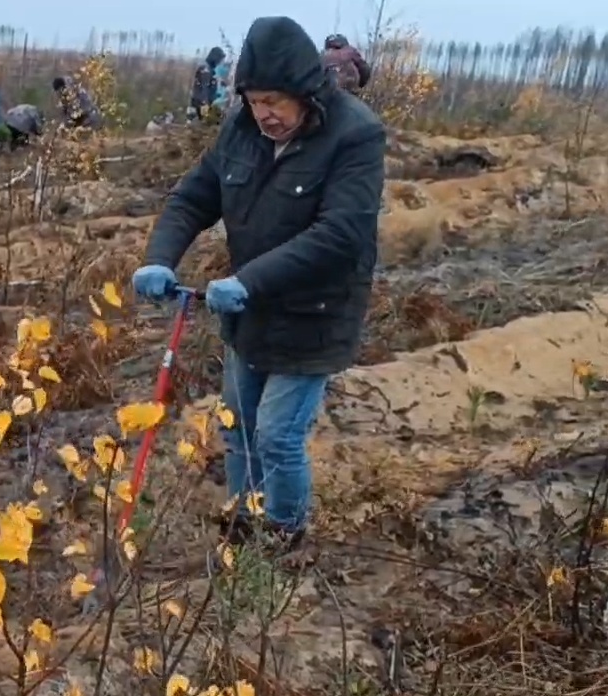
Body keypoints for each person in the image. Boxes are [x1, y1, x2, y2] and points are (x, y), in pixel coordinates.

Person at [131, 16, 386, 551]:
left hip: (313, 313)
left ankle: (284, 537)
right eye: (253, 99)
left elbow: (341, 233)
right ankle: (244, 525)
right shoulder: (242, 130)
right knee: (236, 427)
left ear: (304, 91)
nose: (263, 112)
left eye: (274, 100)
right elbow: (193, 197)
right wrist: (160, 259)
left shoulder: (355, 133)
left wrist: (249, 280)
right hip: (247, 313)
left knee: (277, 436)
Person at [188, 46, 228, 121]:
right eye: (219, 59)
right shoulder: (205, 69)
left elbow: (210, 83)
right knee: (200, 124)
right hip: (200, 103)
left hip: (204, 102)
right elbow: (204, 87)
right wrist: (204, 103)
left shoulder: (210, 69)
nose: (220, 62)